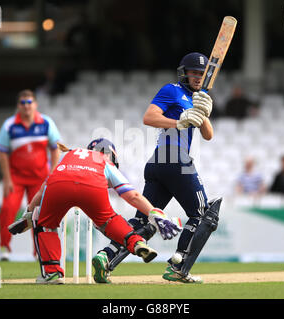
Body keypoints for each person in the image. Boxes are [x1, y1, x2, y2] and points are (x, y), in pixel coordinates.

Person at [93, 52, 220, 284]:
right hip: (173, 158)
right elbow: (149, 117)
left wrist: (204, 112)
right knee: (204, 215)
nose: (198, 77)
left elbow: (208, 135)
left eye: (202, 74)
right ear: (184, 73)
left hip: (160, 164)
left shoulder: (197, 97)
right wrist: (179, 122)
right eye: (194, 72)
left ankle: (106, 257)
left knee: (145, 222)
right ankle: (178, 267)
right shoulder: (172, 90)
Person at [8, 138, 181, 284]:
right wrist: (154, 213)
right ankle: (136, 242)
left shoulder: (68, 155)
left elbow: (42, 190)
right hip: (93, 187)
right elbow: (133, 195)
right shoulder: (106, 162)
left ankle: (52, 273)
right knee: (109, 220)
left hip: (59, 184)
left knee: (45, 224)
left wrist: (29, 213)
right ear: (111, 155)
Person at [0, 89, 61, 261]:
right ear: (18, 106)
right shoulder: (10, 125)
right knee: (8, 209)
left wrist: (52, 172)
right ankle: (4, 247)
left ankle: (38, 251)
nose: (26, 106)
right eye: (23, 103)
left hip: (40, 178)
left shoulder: (46, 122)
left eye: (29, 102)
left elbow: (56, 148)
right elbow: (2, 152)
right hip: (16, 178)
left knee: (39, 214)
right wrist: (7, 179)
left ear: (35, 104)